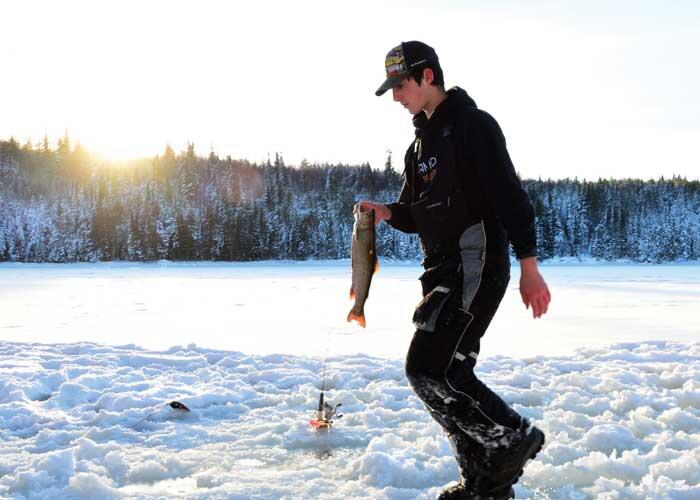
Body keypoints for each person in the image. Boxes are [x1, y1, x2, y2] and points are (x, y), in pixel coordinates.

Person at [357, 41, 551, 499]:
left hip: (476, 263)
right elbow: (414, 212)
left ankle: (513, 437)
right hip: (440, 273)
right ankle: (485, 483)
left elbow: (510, 197)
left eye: (400, 85)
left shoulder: (473, 127)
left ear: (427, 77)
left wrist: (529, 266)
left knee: (430, 369)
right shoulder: (417, 148)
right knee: (444, 374)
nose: (395, 96)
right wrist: (385, 212)